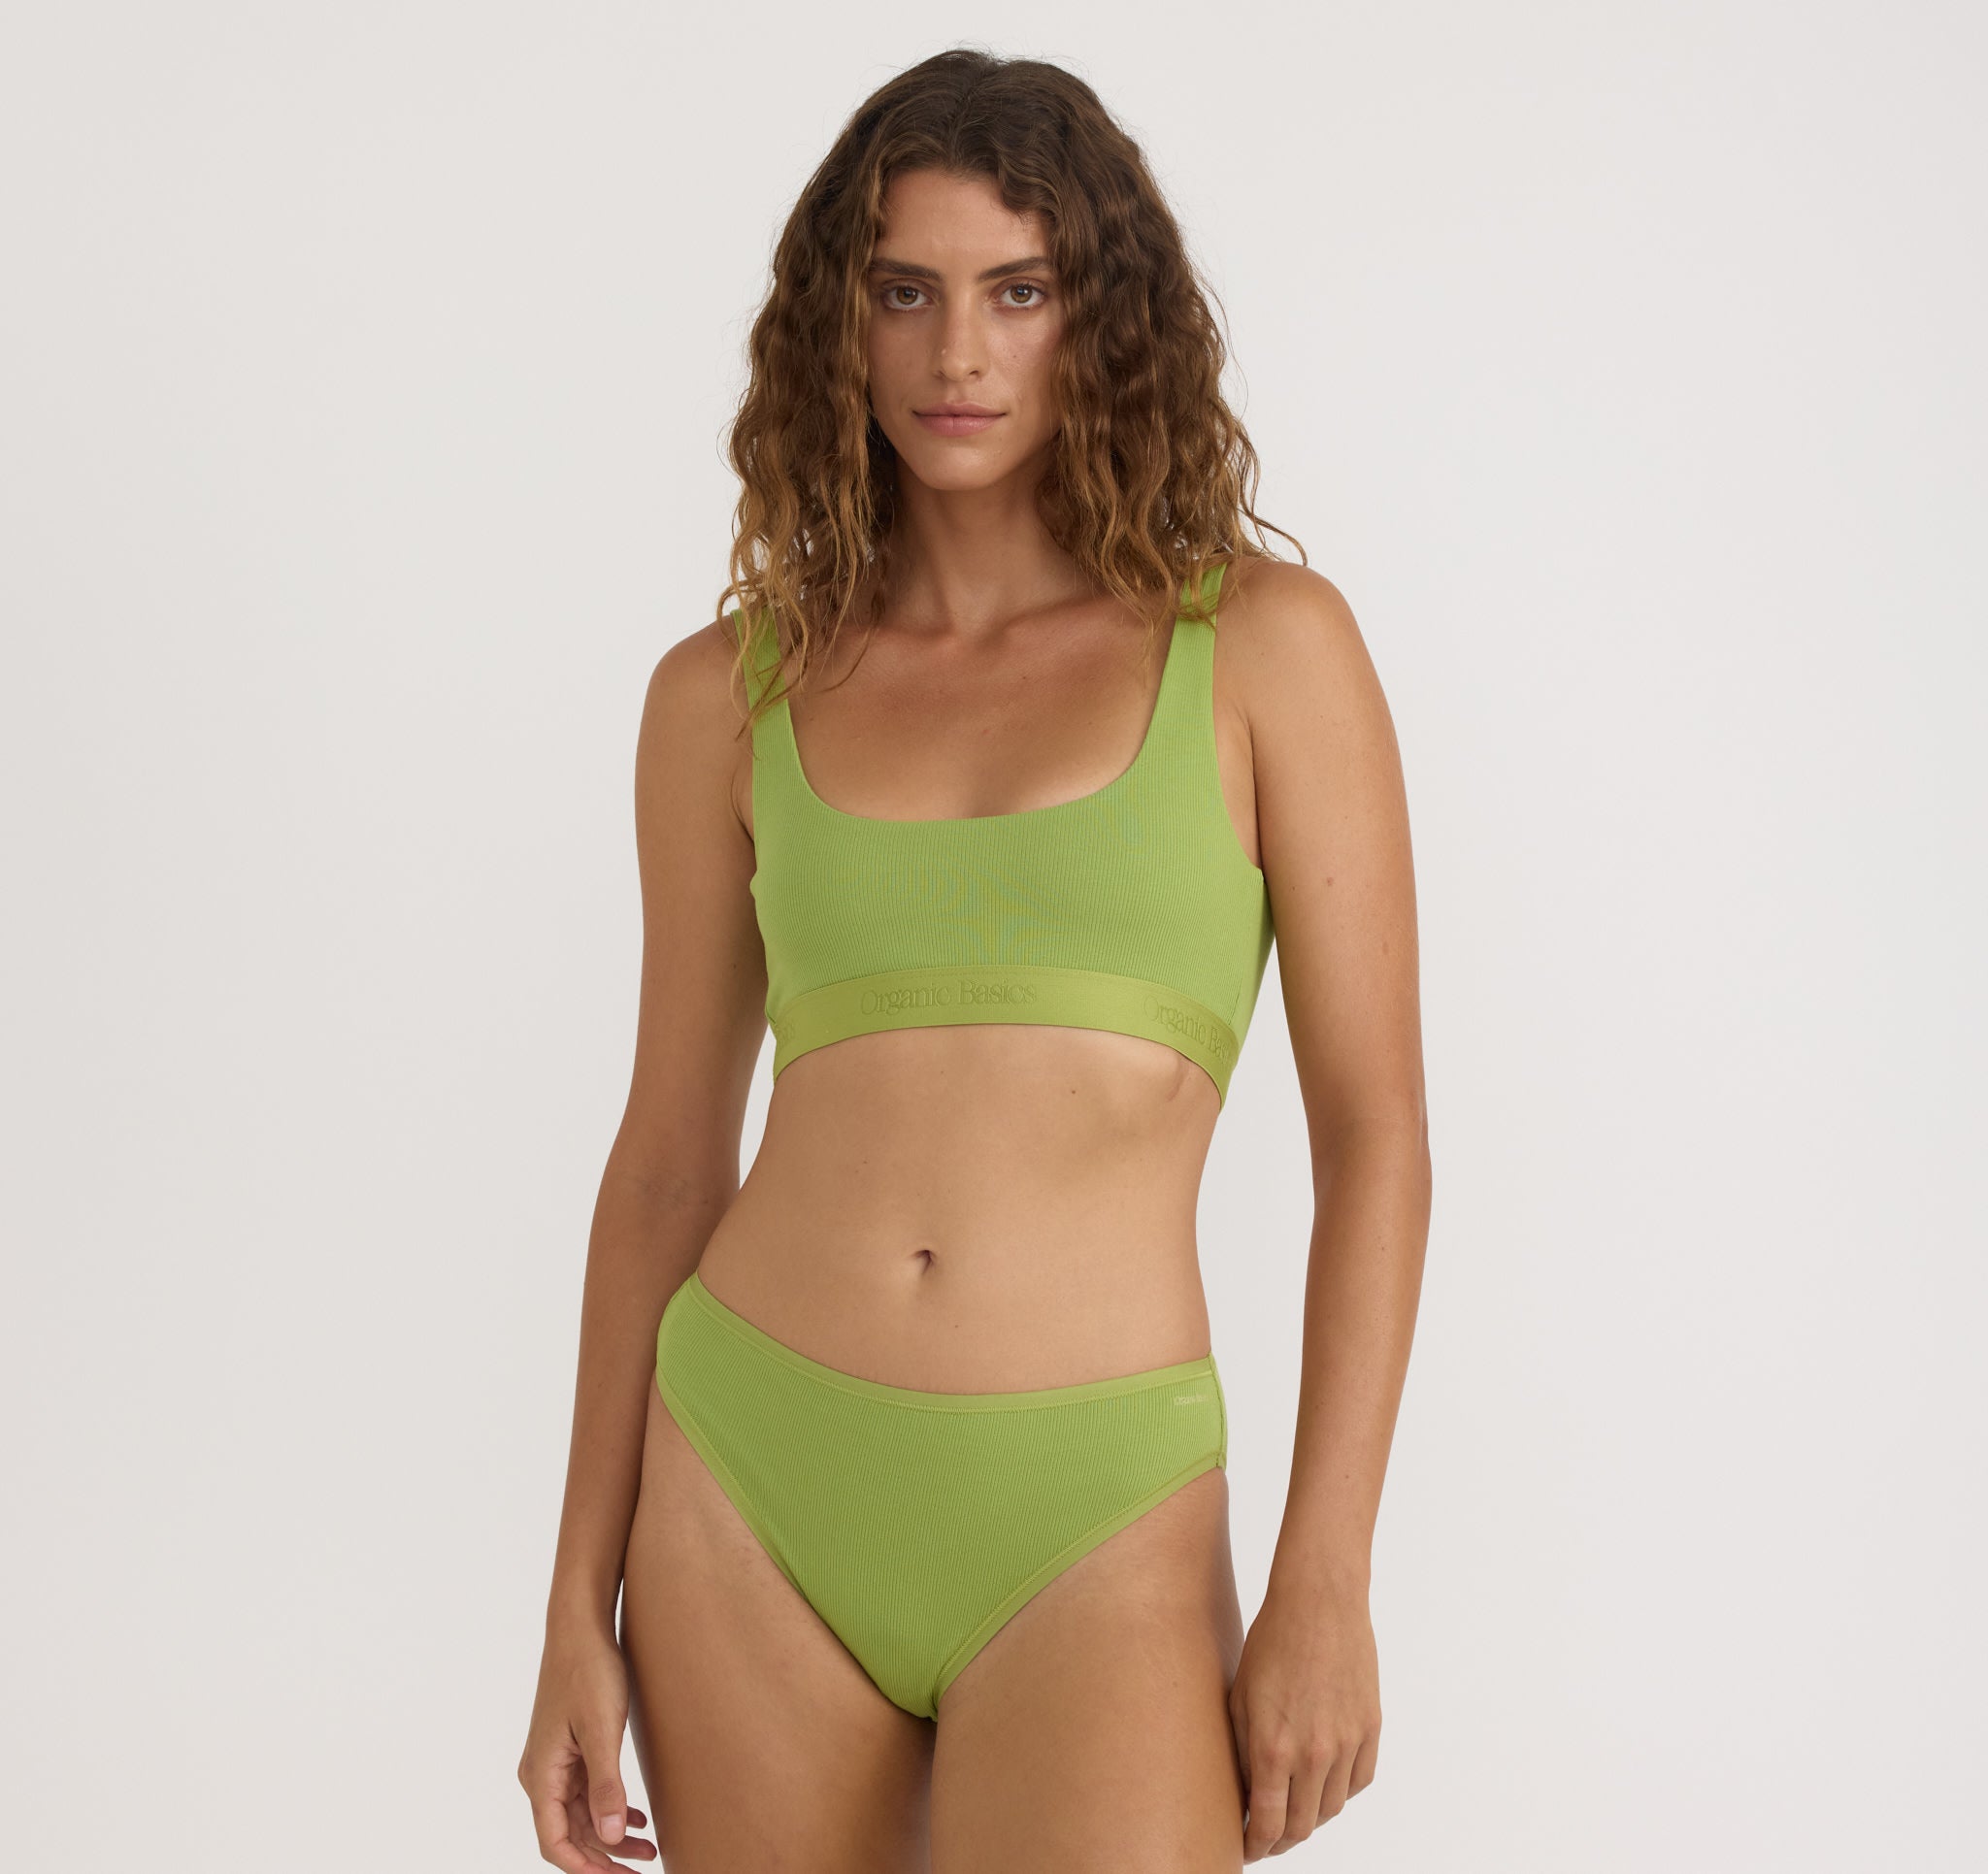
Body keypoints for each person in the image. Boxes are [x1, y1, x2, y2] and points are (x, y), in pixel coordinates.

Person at [518, 47, 1430, 1874]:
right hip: (751, 1479)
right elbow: (669, 1163)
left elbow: (1377, 1138)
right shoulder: (725, 696)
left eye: (1018, 292)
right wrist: (568, 1605)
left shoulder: (1266, 649)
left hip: (1097, 1501)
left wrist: (1326, 1575)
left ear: (1103, 318)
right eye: (904, 292)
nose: (957, 354)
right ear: (835, 327)